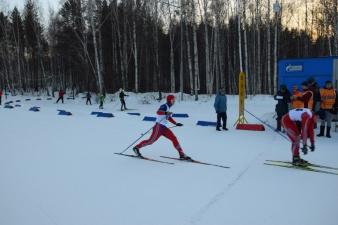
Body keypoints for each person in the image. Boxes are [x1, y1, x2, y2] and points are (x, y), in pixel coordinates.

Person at [133, 95, 191, 160]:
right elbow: (158, 112)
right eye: (173, 99)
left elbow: (168, 117)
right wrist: (166, 112)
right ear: (169, 100)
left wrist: (176, 123)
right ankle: (136, 148)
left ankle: (181, 154)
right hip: (159, 126)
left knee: (174, 138)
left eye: (174, 99)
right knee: (150, 141)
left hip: (164, 128)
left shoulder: (168, 107)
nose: (174, 101)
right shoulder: (164, 106)